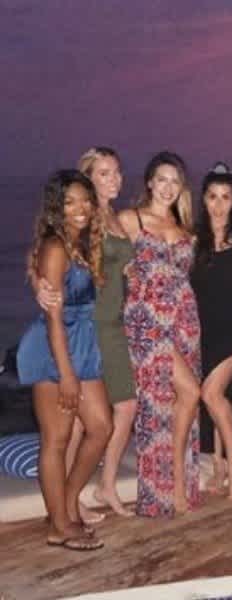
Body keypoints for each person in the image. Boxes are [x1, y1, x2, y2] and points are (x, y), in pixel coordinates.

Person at [36, 148, 138, 519]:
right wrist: (39, 285)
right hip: (91, 325)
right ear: (87, 179)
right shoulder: (83, 219)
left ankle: (99, 487)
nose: (114, 179)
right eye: (104, 173)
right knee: (93, 416)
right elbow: (50, 258)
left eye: (117, 172)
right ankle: (72, 499)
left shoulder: (113, 219)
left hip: (115, 321)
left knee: (107, 413)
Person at [18, 170, 112, 549]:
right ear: (57, 207)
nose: (81, 208)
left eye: (85, 200)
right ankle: (59, 524)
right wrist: (67, 374)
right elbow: (54, 317)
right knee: (56, 439)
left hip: (83, 342)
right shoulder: (56, 247)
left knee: (100, 427)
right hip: (54, 347)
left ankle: (66, 504)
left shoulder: (83, 242)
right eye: (70, 202)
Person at [119, 151, 202, 518]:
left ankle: (176, 479)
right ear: (150, 182)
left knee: (180, 401)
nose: (168, 187)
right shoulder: (131, 220)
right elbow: (96, 254)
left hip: (184, 320)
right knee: (181, 395)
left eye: (175, 181)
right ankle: (173, 484)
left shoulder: (185, 227)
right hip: (147, 321)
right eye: (162, 179)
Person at [190, 163, 232, 500]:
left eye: (224, 197)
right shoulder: (192, 240)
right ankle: (216, 464)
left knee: (211, 395)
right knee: (218, 399)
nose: (218, 203)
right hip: (201, 328)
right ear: (204, 199)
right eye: (212, 196)